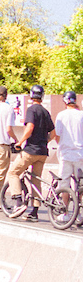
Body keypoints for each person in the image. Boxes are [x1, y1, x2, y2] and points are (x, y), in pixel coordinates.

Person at [7, 84, 55, 221]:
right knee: (36, 180)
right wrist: (45, 141)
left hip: (31, 150)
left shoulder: (31, 110)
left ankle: (18, 202)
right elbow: (53, 133)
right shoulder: (45, 112)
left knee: (13, 172)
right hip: (43, 152)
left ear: (31, 95)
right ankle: (34, 212)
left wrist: (20, 142)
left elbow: (29, 128)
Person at [53, 90, 83, 224]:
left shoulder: (61, 115)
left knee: (64, 184)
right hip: (80, 154)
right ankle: (80, 214)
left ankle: (65, 213)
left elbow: (57, 136)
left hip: (65, 155)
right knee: (80, 185)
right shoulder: (81, 115)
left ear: (65, 101)